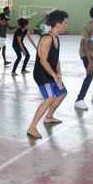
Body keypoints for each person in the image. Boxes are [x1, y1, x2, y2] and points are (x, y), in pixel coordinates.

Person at [26, 10, 69, 139]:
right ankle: (32, 127)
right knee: (50, 98)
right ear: (58, 24)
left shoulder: (56, 38)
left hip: (51, 72)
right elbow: (43, 60)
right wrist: (53, 75)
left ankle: (49, 117)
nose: (66, 26)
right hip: (42, 74)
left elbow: (56, 59)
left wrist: (59, 74)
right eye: (65, 23)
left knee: (62, 92)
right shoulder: (46, 39)